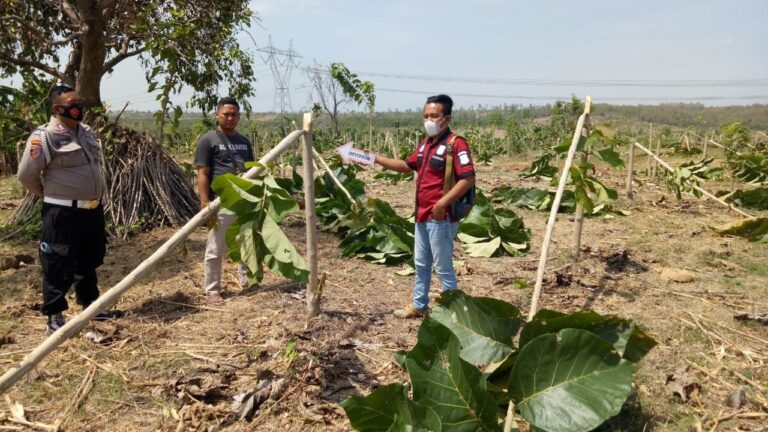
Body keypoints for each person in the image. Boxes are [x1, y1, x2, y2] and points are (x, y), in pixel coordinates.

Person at [17, 85, 122, 336]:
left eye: (79, 103)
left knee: (90, 259)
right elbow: (26, 175)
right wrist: (51, 196)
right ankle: (54, 315)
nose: (78, 109)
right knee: (57, 262)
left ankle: (91, 307)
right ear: (57, 109)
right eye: (73, 105)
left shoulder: (86, 132)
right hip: (62, 213)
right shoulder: (44, 136)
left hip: (91, 210)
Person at [370, 94, 476, 318]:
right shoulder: (426, 145)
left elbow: (468, 179)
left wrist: (442, 204)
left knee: (443, 266)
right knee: (421, 263)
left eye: (434, 116)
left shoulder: (456, 144)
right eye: (426, 116)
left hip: (441, 217)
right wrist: (376, 159)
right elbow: (407, 166)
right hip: (422, 215)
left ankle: (454, 312)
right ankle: (419, 305)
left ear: (446, 119)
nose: (429, 120)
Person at [194, 97, 255, 305]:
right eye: (226, 114)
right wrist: (205, 203)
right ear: (217, 115)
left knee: (246, 243)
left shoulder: (244, 141)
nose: (230, 118)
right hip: (220, 202)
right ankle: (212, 290)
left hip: (243, 200)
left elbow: (251, 170)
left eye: (234, 114)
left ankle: (247, 282)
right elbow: (203, 173)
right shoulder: (208, 139)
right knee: (215, 248)